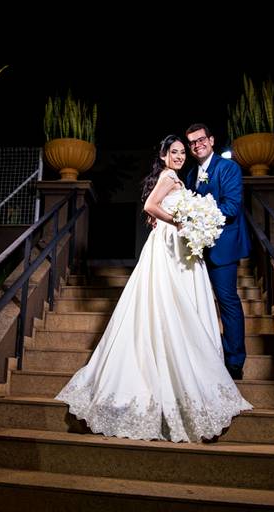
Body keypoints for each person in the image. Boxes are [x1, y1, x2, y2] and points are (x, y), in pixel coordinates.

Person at [55, 135, 252, 443]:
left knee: (181, 304)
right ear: (163, 155)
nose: (180, 156)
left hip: (179, 244)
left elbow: (158, 208)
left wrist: (190, 222)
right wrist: (180, 221)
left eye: (182, 152)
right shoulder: (169, 176)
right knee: (167, 303)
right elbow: (150, 205)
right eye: (174, 152)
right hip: (170, 245)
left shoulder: (179, 177)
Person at [184, 123, 251, 380]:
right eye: (192, 142)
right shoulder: (191, 174)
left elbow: (232, 207)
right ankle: (207, 357)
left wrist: (199, 216)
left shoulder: (228, 168)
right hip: (197, 249)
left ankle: (234, 361)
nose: (197, 145)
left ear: (211, 140)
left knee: (227, 301)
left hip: (223, 248)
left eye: (201, 139)